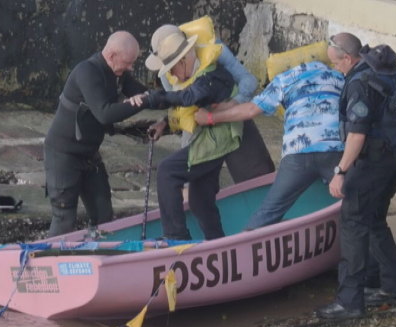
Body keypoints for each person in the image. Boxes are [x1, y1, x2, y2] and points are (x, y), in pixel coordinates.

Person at [315, 32, 396, 320]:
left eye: (336, 63)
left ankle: (349, 301)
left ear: (348, 58)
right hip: (395, 159)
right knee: (374, 222)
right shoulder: (384, 70)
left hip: (372, 162)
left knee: (354, 224)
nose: (335, 69)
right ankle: (394, 288)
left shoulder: (360, 83)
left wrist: (340, 171)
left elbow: (357, 135)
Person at [195, 60, 344, 230]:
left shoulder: (286, 78)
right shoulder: (339, 77)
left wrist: (211, 118)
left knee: (268, 212)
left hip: (297, 152)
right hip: (334, 152)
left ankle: (247, 239)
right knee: (359, 203)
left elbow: (251, 110)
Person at [134, 28, 239, 240]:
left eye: (172, 69)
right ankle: (218, 243)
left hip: (217, 141)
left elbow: (190, 97)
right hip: (207, 140)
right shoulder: (192, 75)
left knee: (167, 172)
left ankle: (176, 238)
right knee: (199, 199)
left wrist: (152, 98)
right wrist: (165, 124)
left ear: (183, 61)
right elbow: (186, 112)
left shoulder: (211, 75)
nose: (171, 75)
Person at [44, 31, 148, 237]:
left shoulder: (119, 74)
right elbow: (105, 114)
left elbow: (145, 94)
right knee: (64, 217)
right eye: (128, 63)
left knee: (103, 216)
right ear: (111, 56)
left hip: (90, 156)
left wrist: (177, 98)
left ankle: (99, 259)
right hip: (63, 156)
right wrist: (138, 103)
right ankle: (47, 262)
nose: (131, 68)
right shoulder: (87, 72)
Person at [145, 23, 274, 184]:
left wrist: (233, 103)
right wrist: (165, 123)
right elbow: (179, 105)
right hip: (197, 121)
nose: (171, 72)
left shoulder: (214, 48)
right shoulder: (166, 70)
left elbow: (249, 80)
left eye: (174, 65)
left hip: (231, 115)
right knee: (193, 184)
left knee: (258, 178)